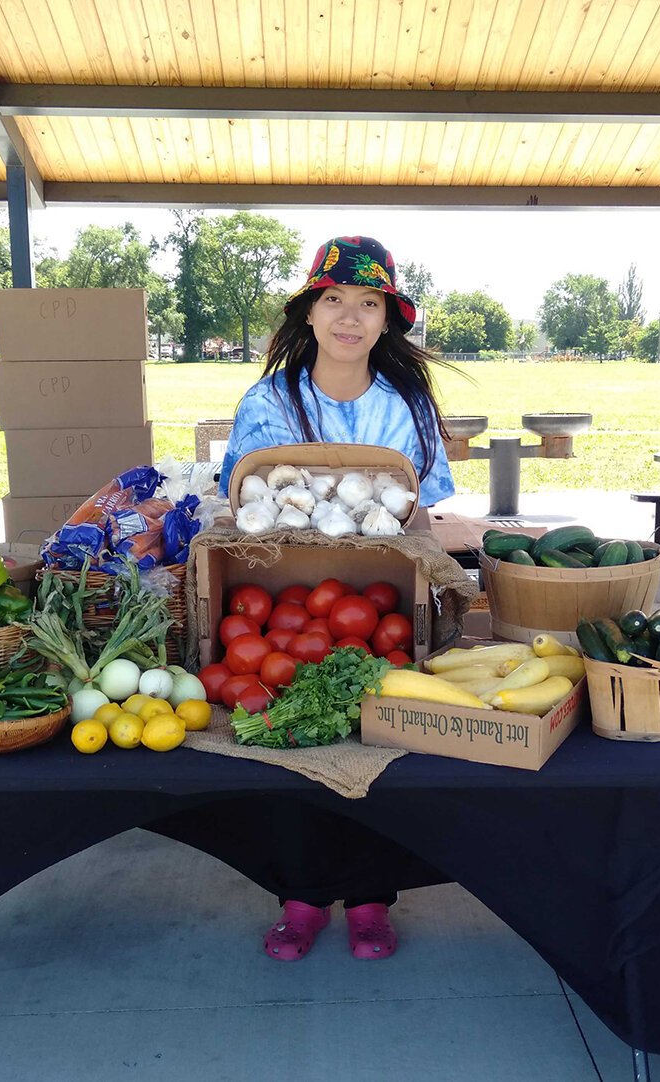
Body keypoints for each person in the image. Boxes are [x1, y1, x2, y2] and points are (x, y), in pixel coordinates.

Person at [217, 235, 454, 962]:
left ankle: (372, 898)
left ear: (388, 321)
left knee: (378, 752)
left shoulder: (407, 404)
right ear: (310, 314)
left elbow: (428, 505)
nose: (350, 317)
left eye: (368, 303)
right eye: (334, 300)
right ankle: (303, 896)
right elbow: (239, 505)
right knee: (296, 750)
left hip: (387, 600)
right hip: (282, 602)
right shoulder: (268, 401)